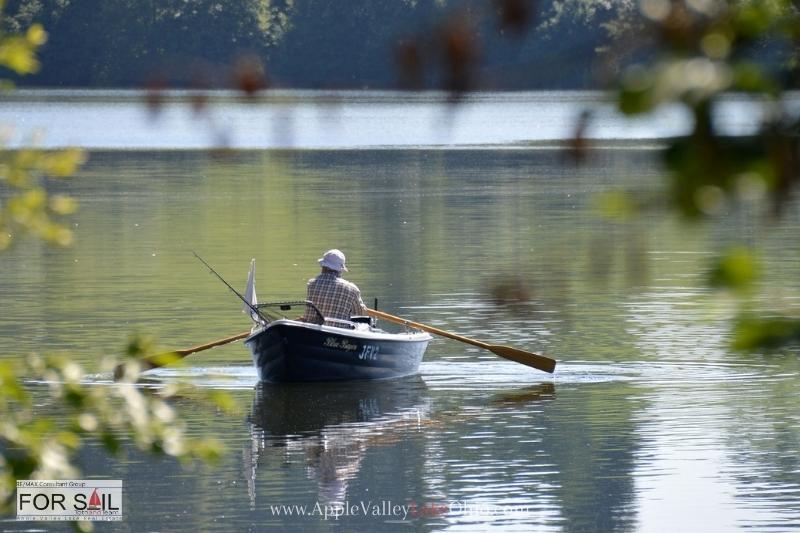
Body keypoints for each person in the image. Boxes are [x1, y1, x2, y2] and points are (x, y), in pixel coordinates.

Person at [301, 249, 368, 324]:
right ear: (340, 269)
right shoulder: (352, 289)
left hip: (312, 331)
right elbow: (360, 314)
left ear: (323, 266)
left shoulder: (311, 284)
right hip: (337, 332)